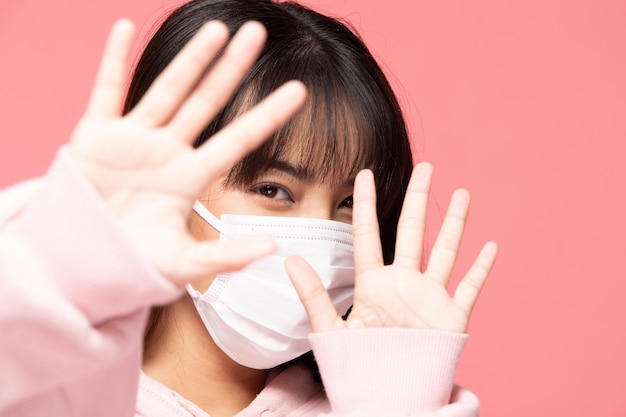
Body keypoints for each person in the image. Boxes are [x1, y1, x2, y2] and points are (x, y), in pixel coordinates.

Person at [0, 0, 497, 416]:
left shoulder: (373, 406)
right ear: (173, 189)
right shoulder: (59, 392)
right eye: (273, 190)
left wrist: (399, 404)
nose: (317, 253)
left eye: (349, 204)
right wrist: (59, 266)